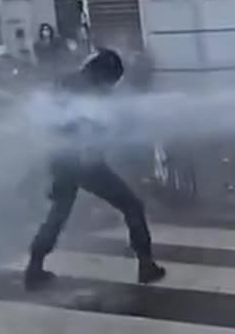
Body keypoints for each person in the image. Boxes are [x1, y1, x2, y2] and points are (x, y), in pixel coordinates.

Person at [24, 48, 166, 290]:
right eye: (111, 80)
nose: (111, 87)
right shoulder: (89, 92)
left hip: (61, 160)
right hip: (83, 162)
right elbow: (93, 126)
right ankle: (146, 265)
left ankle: (34, 269)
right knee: (132, 205)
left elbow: (47, 123)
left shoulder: (65, 82)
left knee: (57, 214)